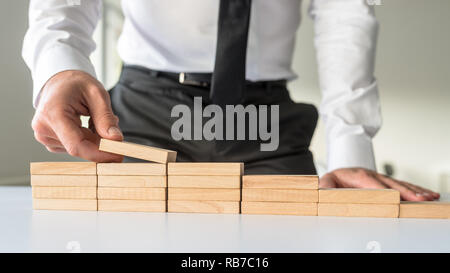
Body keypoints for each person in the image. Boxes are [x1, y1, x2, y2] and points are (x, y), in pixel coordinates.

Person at [22, 0, 439, 201]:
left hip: (266, 121)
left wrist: (350, 147)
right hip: (142, 115)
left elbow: (342, 10)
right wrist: (59, 69)